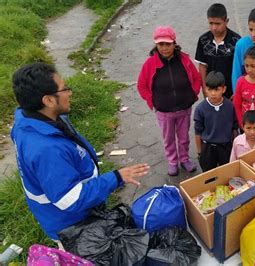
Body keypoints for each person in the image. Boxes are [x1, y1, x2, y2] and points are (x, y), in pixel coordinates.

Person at [10, 62, 150, 241]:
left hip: (74, 215)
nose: (69, 93)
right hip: (73, 227)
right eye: (64, 89)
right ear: (48, 100)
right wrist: (116, 177)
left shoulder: (29, 121)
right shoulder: (47, 149)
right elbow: (70, 199)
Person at [137, 26, 201, 176]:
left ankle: (184, 159)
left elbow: (196, 77)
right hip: (164, 111)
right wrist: (151, 100)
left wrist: (193, 93)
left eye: (168, 44)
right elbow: (141, 85)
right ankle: (172, 161)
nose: (164, 48)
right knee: (169, 139)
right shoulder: (150, 64)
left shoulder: (184, 59)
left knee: (184, 137)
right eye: (161, 45)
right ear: (156, 45)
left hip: (184, 108)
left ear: (174, 43)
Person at [194, 71, 238, 171]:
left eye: (217, 89)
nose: (213, 93)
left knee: (226, 173)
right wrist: (200, 152)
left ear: (224, 89)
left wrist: (235, 147)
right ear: (205, 89)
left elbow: (234, 128)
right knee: (209, 176)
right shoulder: (200, 109)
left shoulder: (230, 106)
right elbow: (198, 132)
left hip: (226, 147)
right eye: (209, 89)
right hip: (208, 148)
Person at [195, 3, 241, 99]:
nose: (214, 28)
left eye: (217, 24)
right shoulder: (203, 40)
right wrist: (204, 88)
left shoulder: (236, 41)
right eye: (211, 23)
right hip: (211, 92)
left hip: (230, 92)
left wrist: (237, 91)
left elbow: (240, 68)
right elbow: (202, 67)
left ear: (226, 21)